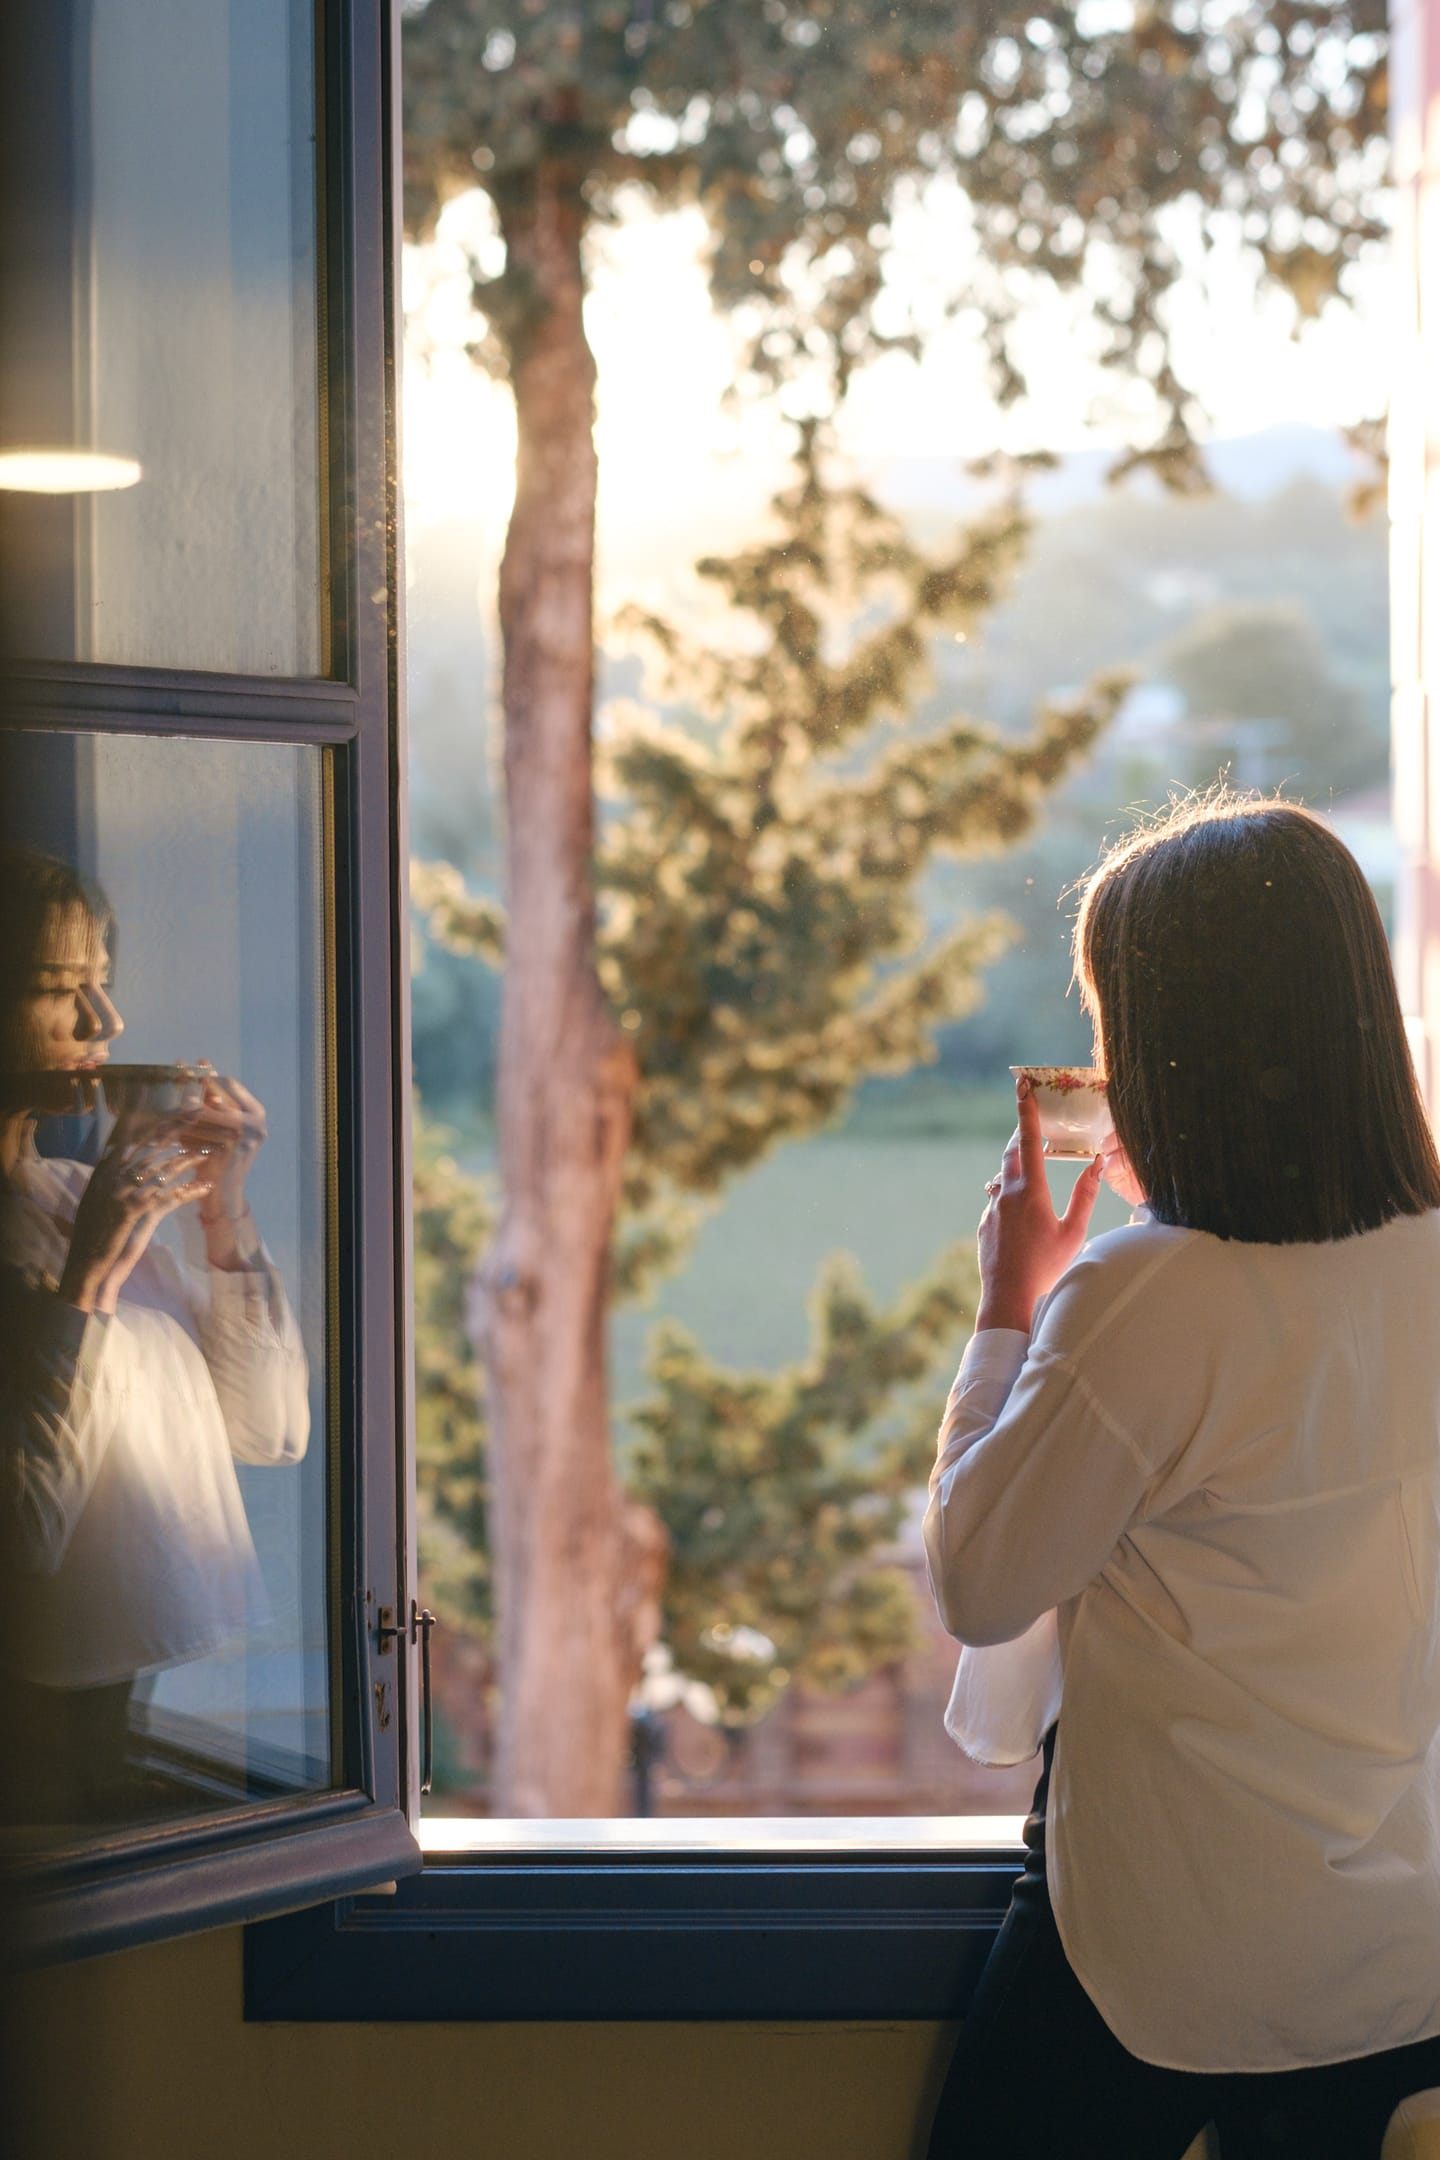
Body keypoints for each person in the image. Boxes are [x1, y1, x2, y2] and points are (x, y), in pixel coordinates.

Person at [922, 795, 1440, 2160]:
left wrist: (1007, 1306)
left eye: (1112, 1028)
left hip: (1172, 1949)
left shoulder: (1146, 1298)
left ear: (1164, 1055)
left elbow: (982, 1583)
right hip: (1401, 1953)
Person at [0, 847, 309, 1825]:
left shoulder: (65, 1199)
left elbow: (268, 1433)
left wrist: (223, 1209)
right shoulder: (68, 1237)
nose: (108, 1024)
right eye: (62, 990)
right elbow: (23, 1534)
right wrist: (89, 1276)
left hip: (117, 1749)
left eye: (103, 984)